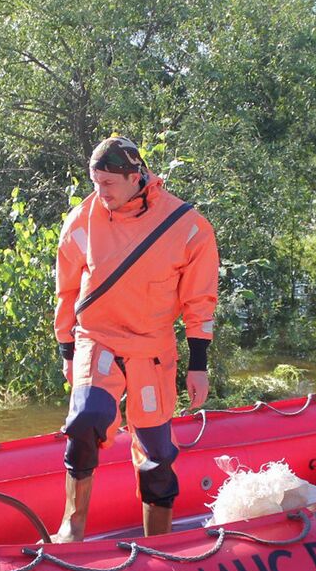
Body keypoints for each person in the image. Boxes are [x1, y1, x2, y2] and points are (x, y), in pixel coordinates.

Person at [52, 135, 219, 543]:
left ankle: (157, 543)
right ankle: (71, 529)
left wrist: (198, 365)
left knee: (158, 455)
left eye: (107, 183)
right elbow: (67, 288)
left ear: (135, 176)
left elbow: (200, 299)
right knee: (86, 419)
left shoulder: (187, 226)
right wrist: (67, 349)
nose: (100, 193)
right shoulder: (83, 219)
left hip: (152, 351)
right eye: (94, 183)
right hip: (98, 339)